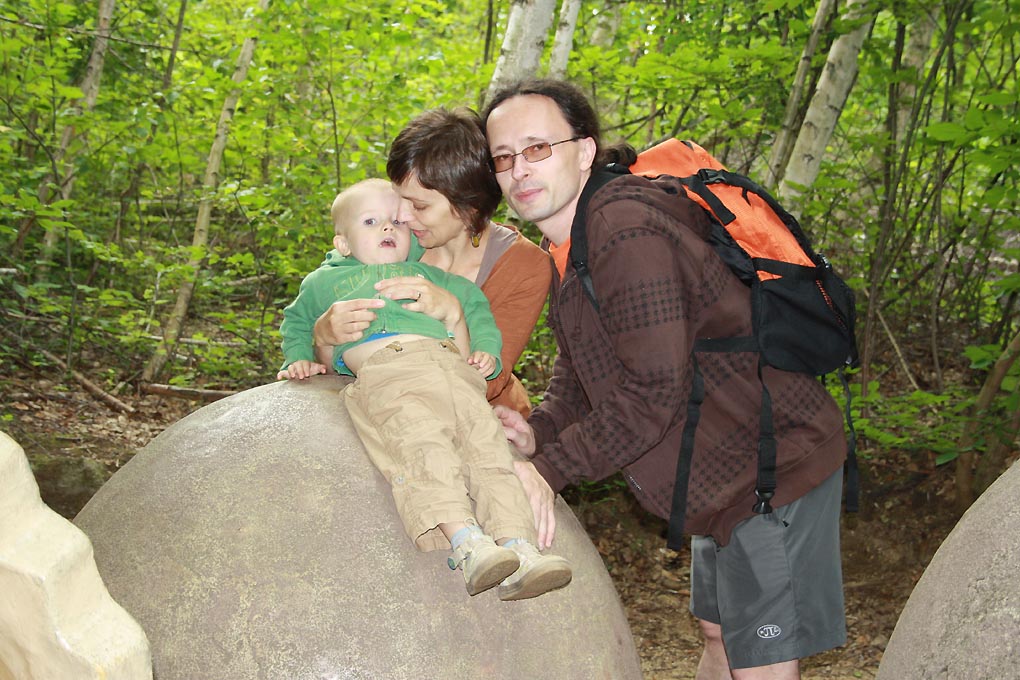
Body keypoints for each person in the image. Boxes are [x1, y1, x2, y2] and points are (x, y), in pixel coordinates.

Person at [483, 79, 847, 679]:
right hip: (718, 473)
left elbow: (653, 390)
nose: (519, 169)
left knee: (760, 658)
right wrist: (537, 432)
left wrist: (547, 470)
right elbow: (581, 371)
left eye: (537, 148)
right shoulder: (570, 245)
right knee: (719, 633)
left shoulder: (626, 229)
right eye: (503, 157)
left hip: (772, 464)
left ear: (584, 151)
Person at [277, 178, 571, 601]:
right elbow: (297, 321)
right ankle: (467, 542)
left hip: (454, 372)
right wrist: (299, 355)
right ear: (342, 243)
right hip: (390, 373)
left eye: (397, 222)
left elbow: (476, 308)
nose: (387, 228)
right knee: (423, 447)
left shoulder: (432, 277)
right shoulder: (324, 283)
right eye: (371, 222)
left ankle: (519, 546)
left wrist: (486, 349)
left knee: (488, 452)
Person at [311, 108, 551, 418]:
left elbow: (488, 380)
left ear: (469, 207)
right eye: (400, 199)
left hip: (479, 420)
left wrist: (455, 316)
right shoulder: (391, 241)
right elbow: (335, 360)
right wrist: (322, 337)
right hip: (380, 405)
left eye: (419, 205)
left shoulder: (523, 266)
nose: (402, 217)